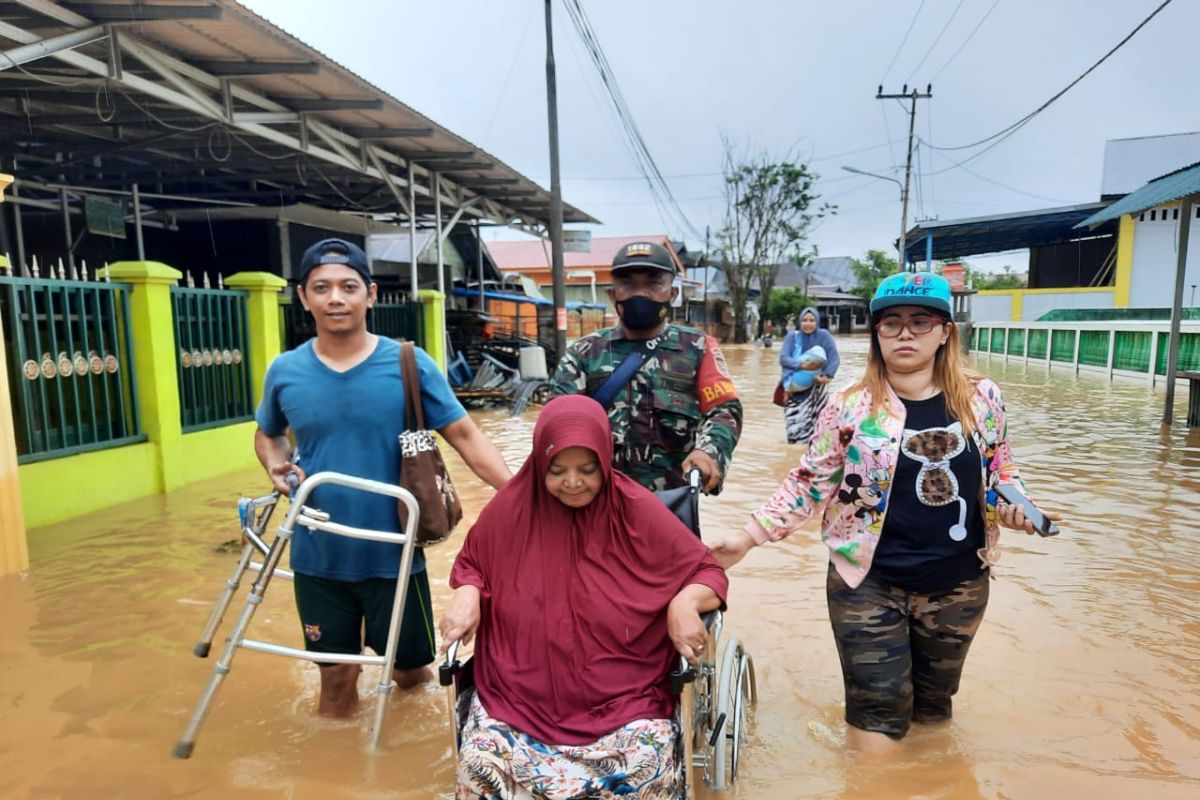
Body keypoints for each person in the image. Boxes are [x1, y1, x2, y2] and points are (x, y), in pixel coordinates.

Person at [709, 272, 1062, 752]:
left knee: (934, 714)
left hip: (959, 586)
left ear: (945, 332)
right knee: (877, 719)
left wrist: (1020, 507)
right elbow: (809, 481)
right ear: (876, 334)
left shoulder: (983, 399)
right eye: (891, 323)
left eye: (920, 322)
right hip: (868, 583)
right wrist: (749, 536)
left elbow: (1000, 471)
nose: (905, 334)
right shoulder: (849, 406)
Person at [254, 238, 512, 717]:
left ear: (370, 295)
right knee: (334, 681)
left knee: (412, 675)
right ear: (303, 296)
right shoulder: (285, 371)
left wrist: (521, 495)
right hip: (318, 555)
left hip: (397, 555)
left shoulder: (408, 364)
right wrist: (275, 466)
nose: (336, 297)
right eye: (322, 287)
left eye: (348, 286)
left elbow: (467, 436)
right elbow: (268, 434)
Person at [439, 395, 727, 799]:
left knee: (647, 770)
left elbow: (707, 571)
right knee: (480, 767)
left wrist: (684, 602)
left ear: (605, 463)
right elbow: (472, 564)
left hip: (625, 696)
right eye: (557, 471)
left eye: (587, 470)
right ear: (539, 465)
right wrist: (467, 592)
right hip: (518, 695)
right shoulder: (510, 509)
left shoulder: (637, 510)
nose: (572, 482)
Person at [550, 240, 742, 494]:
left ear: (672, 295)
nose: (640, 294)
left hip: (670, 506)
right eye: (628, 284)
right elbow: (557, 424)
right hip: (596, 504)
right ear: (612, 294)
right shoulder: (583, 354)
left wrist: (708, 452)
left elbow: (724, 410)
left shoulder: (698, 348)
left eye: (654, 284)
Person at [779, 307, 840, 445]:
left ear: (817, 321)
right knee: (794, 434)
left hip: (818, 389)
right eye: (804, 320)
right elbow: (784, 358)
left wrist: (828, 375)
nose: (808, 324)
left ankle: (812, 461)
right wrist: (802, 366)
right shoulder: (792, 337)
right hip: (795, 391)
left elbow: (834, 358)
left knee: (821, 429)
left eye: (812, 320)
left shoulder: (824, 336)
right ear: (799, 322)